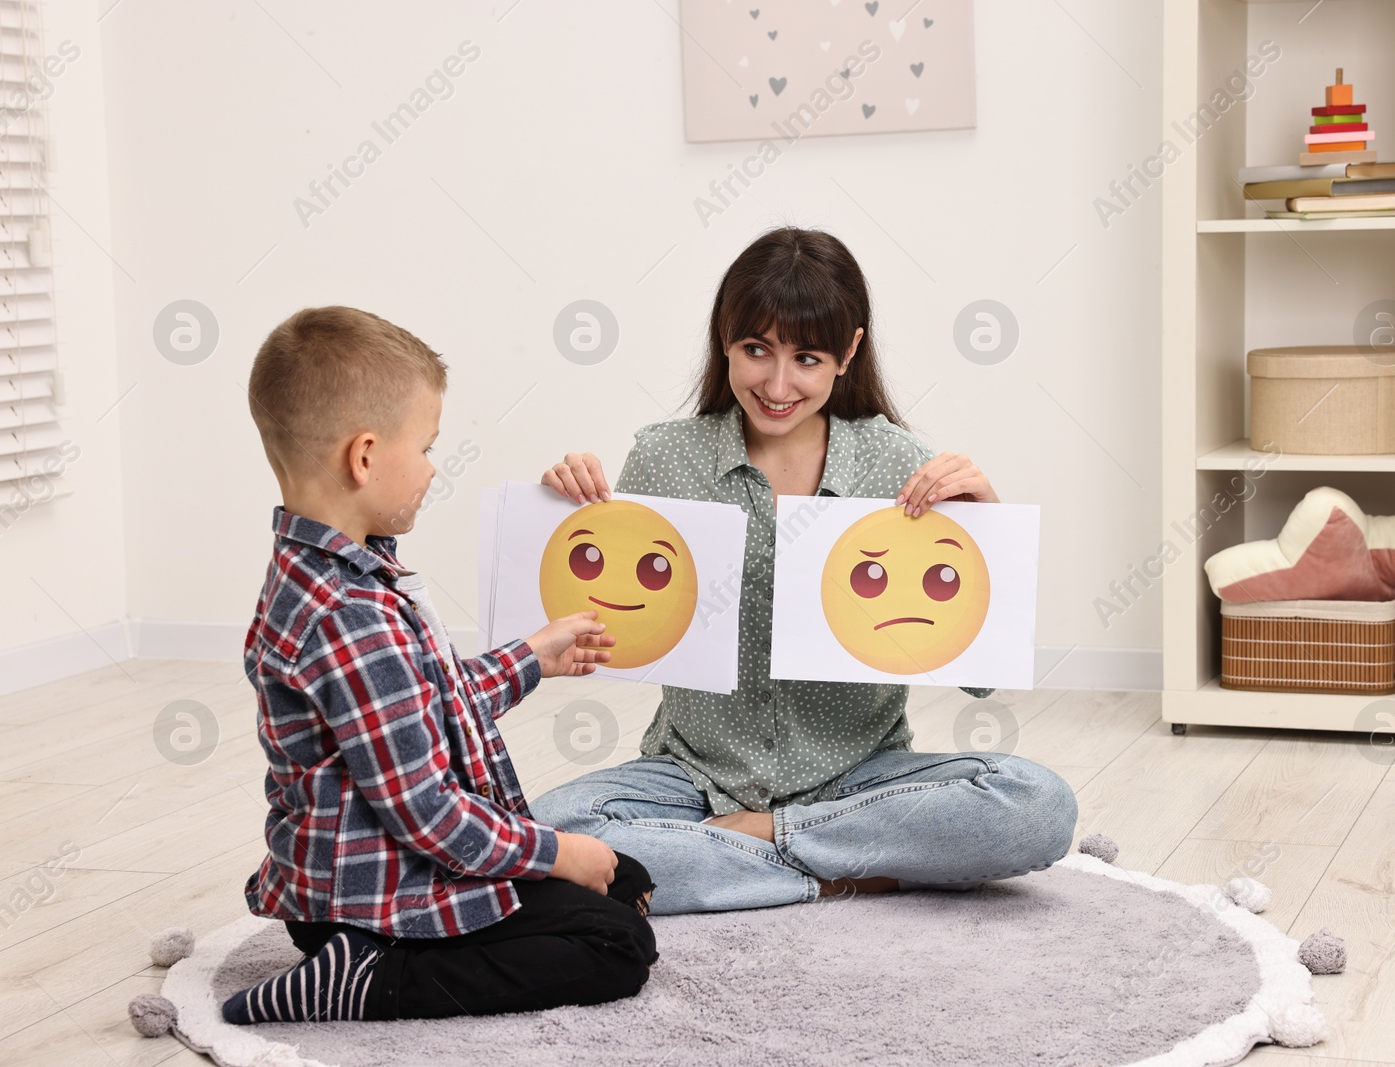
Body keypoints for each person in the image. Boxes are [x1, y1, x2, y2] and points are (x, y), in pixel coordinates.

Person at [529, 227, 1078, 914]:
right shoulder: (663, 459)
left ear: (848, 352)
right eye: (756, 349)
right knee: (549, 830)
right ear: (724, 339)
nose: (777, 383)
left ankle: (751, 849)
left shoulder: (899, 466)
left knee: (1038, 805)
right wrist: (564, 514)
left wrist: (984, 529)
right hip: (691, 776)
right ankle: (840, 874)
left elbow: (979, 678)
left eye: (807, 357)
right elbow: (601, 626)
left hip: (860, 779)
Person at [223, 306, 657, 1024]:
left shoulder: (334, 576)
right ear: (364, 456)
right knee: (615, 943)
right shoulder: (350, 613)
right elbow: (428, 812)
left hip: (363, 883)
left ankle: (375, 960)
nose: (432, 467)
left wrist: (531, 658)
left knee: (621, 876)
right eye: (425, 447)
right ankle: (371, 981)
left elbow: (424, 706)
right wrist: (552, 852)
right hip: (377, 902)